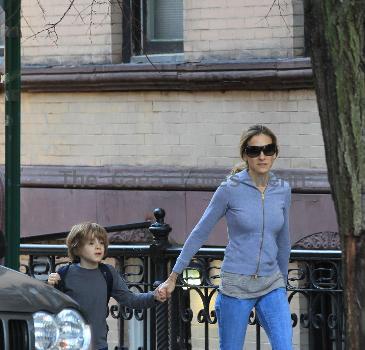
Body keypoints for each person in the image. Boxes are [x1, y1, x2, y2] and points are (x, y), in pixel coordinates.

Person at [158, 124, 293, 350]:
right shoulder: (229, 189)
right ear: (245, 155)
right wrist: (173, 276)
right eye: (254, 151)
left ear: (275, 153)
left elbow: (284, 239)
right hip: (236, 288)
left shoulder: (283, 189)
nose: (262, 156)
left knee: (285, 346)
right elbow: (200, 232)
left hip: (272, 285)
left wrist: (283, 281)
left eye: (268, 150)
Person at [48, 222, 166, 350]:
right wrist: (50, 285)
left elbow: (130, 299)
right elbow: (49, 307)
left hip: (99, 345)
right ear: (76, 249)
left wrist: (154, 296)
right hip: (70, 345)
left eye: (101, 243)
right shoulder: (64, 273)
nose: (98, 247)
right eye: (91, 243)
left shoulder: (108, 273)